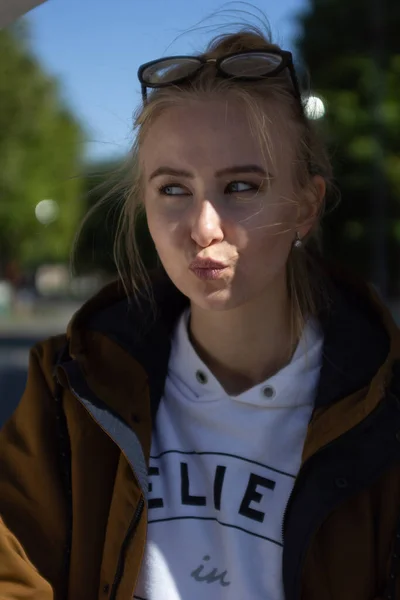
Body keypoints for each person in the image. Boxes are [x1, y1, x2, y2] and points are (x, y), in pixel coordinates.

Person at [1, 25, 400, 600]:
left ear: (305, 207)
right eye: (172, 189)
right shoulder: (71, 384)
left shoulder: (385, 407)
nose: (202, 228)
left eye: (240, 186)